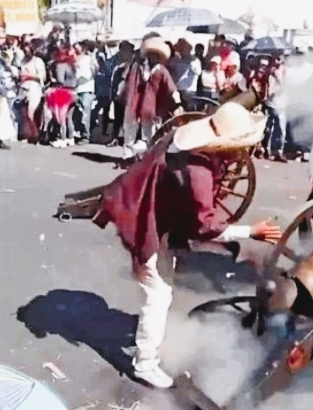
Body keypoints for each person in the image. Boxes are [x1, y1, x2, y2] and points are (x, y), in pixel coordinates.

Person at [91, 102, 282, 388]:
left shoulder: (183, 144)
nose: (243, 152)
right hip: (147, 220)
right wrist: (249, 232)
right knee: (158, 293)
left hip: (156, 215)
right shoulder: (198, 171)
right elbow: (204, 225)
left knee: (163, 281)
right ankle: (144, 363)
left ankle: (152, 343)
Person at [120, 36, 179, 157]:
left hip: (151, 106)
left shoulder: (162, 70)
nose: (154, 57)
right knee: (130, 128)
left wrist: (178, 103)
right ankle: (127, 155)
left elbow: (172, 88)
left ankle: (145, 156)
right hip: (134, 102)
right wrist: (121, 94)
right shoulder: (136, 67)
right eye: (151, 55)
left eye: (156, 55)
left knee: (149, 133)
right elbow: (126, 81)